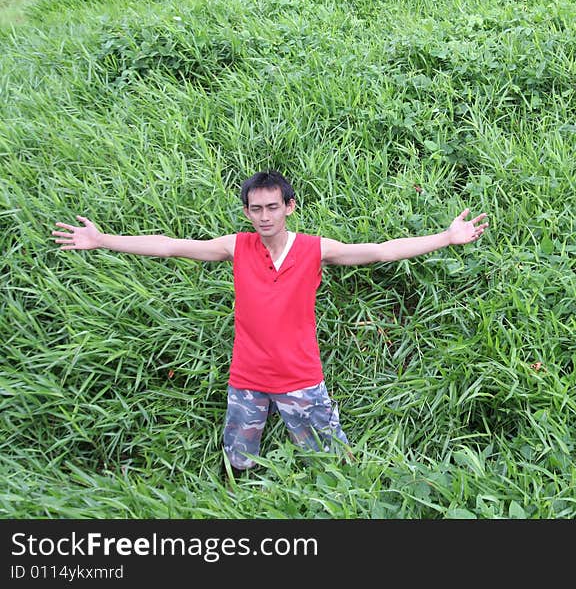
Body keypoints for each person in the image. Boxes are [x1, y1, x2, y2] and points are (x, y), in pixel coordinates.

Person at [51, 170, 488, 478]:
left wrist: (446, 238)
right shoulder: (235, 247)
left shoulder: (316, 249)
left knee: (334, 463)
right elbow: (169, 247)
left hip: (301, 377)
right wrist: (102, 240)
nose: (264, 216)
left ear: (290, 207)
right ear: (246, 212)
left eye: (272, 207)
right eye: (256, 209)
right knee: (237, 463)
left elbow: (381, 250)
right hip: (248, 378)